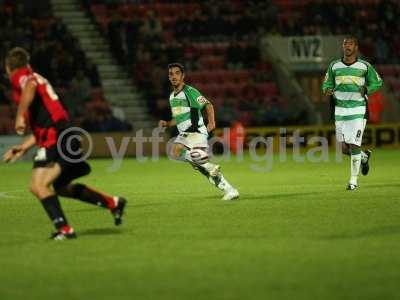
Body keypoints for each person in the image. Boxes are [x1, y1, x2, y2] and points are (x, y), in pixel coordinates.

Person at [2, 47, 127, 240]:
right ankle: (113, 202)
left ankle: (64, 229)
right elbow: (45, 125)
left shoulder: (22, 76)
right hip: (64, 135)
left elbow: (30, 86)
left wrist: (19, 116)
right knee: (60, 187)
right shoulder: (36, 79)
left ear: (9, 67)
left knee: (38, 185)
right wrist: (23, 147)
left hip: (58, 137)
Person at [159, 63, 239, 200]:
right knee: (200, 167)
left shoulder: (189, 91)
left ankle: (208, 164)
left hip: (195, 131)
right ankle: (229, 189)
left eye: (177, 73)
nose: (174, 76)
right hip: (185, 133)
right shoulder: (172, 97)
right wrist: (167, 123)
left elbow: (208, 104)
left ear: (183, 76)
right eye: (171, 74)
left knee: (177, 150)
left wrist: (212, 122)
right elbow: (178, 118)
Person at [322, 36, 383, 190]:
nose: (347, 47)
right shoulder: (334, 66)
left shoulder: (364, 66)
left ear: (356, 47)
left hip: (358, 109)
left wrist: (368, 89)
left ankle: (353, 181)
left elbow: (378, 82)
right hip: (340, 110)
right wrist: (327, 90)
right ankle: (363, 157)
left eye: (350, 44)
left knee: (355, 144)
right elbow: (327, 84)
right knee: (344, 149)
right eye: (345, 44)